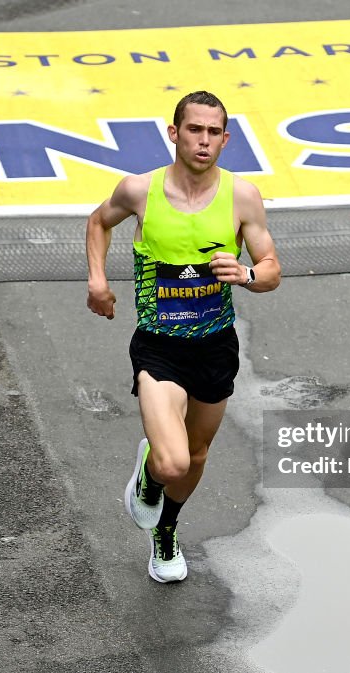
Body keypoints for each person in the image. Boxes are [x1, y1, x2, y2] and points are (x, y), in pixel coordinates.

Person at [85, 90, 280, 583]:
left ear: (225, 139)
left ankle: (165, 532)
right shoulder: (138, 191)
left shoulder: (242, 196)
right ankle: (150, 474)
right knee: (172, 462)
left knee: (194, 456)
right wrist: (98, 281)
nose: (204, 140)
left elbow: (272, 268)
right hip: (159, 348)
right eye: (195, 129)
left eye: (214, 132)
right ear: (175, 133)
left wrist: (247, 274)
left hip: (216, 347)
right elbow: (97, 222)